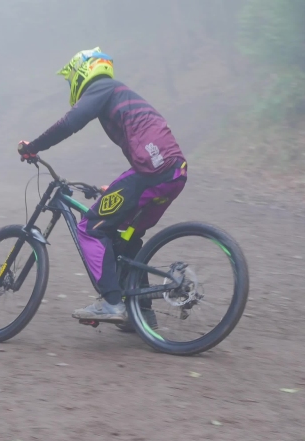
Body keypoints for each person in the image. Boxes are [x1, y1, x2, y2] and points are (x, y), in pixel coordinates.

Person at [17, 47, 188, 322]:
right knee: (127, 237)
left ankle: (111, 302)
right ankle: (141, 313)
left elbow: (70, 122)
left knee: (90, 226)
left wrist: (33, 147)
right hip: (172, 173)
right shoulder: (120, 94)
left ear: (82, 71)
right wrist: (118, 187)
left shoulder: (102, 87)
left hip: (153, 170)